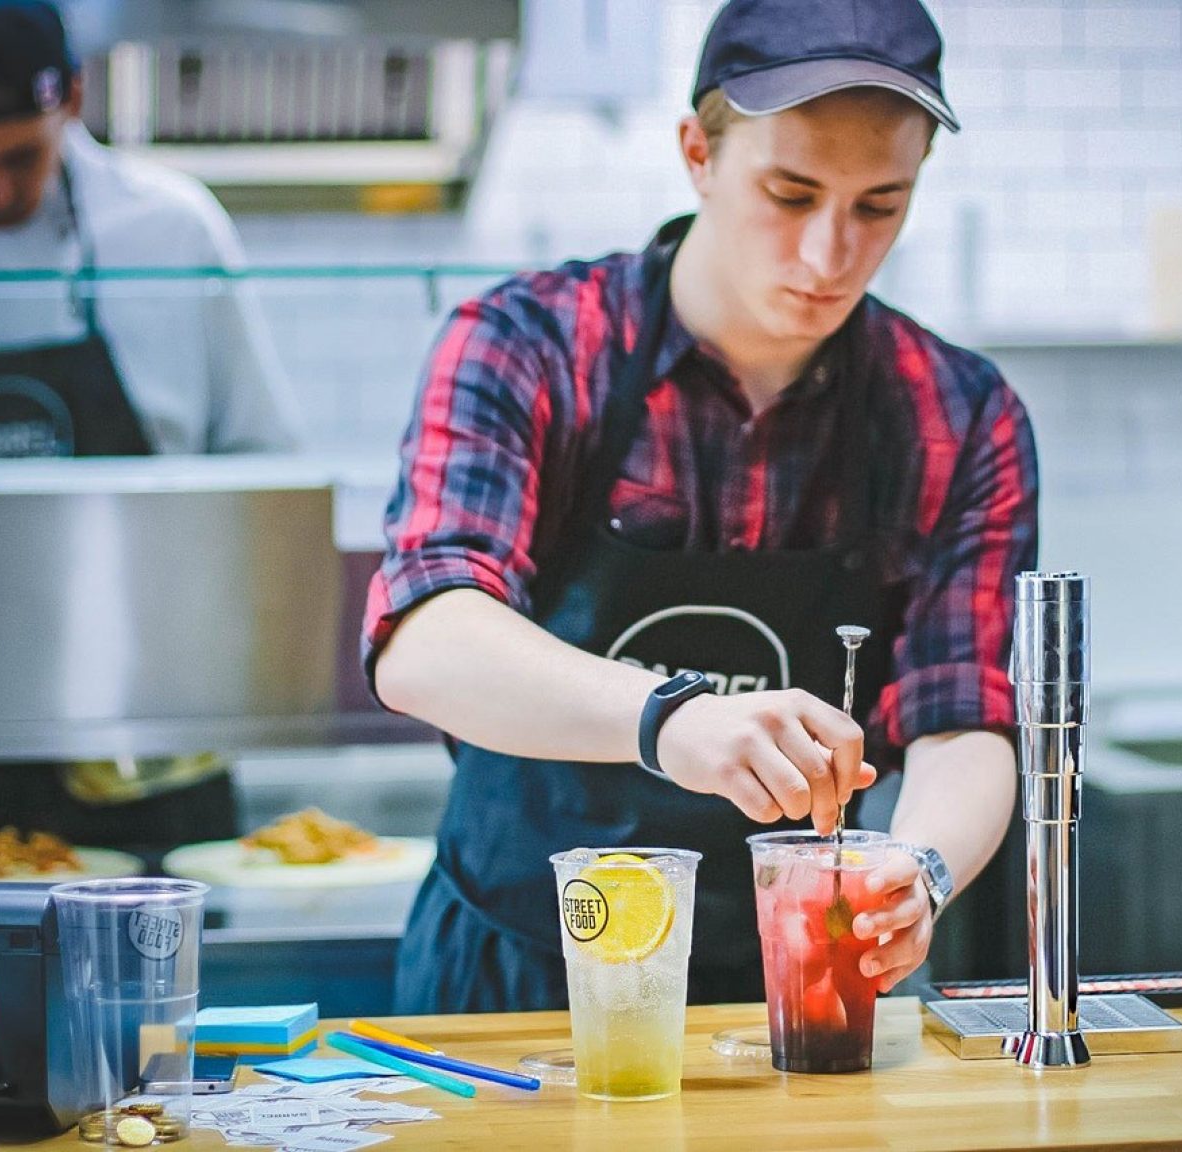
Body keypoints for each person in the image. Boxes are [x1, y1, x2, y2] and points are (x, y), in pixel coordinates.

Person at [366, 0, 1039, 1013]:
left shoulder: (954, 412)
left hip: (798, 986)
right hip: (508, 987)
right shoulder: (531, 345)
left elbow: (963, 714)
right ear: (697, 152)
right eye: (790, 192)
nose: (828, 256)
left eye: (878, 205)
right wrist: (669, 722)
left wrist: (924, 870)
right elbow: (424, 641)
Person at [0, 0, 300, 859]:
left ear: (74, 101)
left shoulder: (168, 230)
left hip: (144, 744)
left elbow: (258, 468)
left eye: (22, 156)